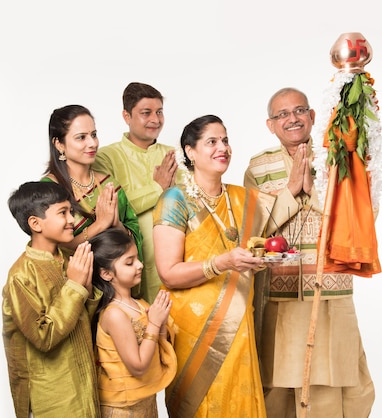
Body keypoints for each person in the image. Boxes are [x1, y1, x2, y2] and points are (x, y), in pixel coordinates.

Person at [243, 87, 375, 418]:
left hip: (330, 292)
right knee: (277, 384)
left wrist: (313, 191)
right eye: (282, 115)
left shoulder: (338, 159)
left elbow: (360, 219)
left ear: (313, 117)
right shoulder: (259, 168)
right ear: (270, 124)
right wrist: (289, 191)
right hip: (279, 296)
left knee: (338, 381)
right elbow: (253, 230)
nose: (292, 119)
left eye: (299, 110)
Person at [153, 114, 280, 417]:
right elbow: (168, 273)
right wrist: (221, 263)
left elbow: (265, 238)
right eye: (211, 141)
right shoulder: (175, 199)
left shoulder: (242, 198)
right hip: (196, 331)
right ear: (190, 151)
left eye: (225, 140)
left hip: (240, 326)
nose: (222, 147)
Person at [2, 181, 102, 418]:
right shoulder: (21, 276)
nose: (71, 220)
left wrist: (86, 290)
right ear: (35, 223)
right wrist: (76, 286)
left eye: (71, 211)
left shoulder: (69, 259)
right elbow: (43, 337)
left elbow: (80, 322)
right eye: (63, 213)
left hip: (84, 381)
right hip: (52, 394)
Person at [92, 82, 180, 303]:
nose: (155, 119)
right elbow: (112, 208)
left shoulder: (172, 155)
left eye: (159, 112)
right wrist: (157, 188)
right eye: (146, 112)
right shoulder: (106, 157)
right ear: (126, 115)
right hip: (128, 268)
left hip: (174, 262)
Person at [41, 104, 143, 265]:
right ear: (59, 144)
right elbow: (53, 248)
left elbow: (133, 238)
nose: (92, 143)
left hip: (114, 283)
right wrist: (100, 224)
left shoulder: (109, 184)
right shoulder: (48, 190)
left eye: (93, 135)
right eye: (81, 137)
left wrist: (116, 224)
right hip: (73, 284)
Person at [90, 228, 177, 417]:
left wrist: (161, 322)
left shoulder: (140, 304)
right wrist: (154, 323)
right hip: (122, 409)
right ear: (106, 274)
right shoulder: (114, 314)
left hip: (145, 401)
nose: (140, 265)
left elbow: (157, 349)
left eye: (137, 258)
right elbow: (138, 366)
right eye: (129, 263)